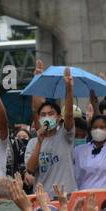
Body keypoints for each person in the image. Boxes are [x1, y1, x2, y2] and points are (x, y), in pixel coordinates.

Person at [25, 65, 77, 195]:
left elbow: (69, 115)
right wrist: (39, 141)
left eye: (51, 113)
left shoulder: (65, 135)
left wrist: (69, 89)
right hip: (44, 199)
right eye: (43, 114)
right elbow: (30, 169)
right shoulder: (33, 143)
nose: (47, 117)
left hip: (67, 195)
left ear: (59, 117)